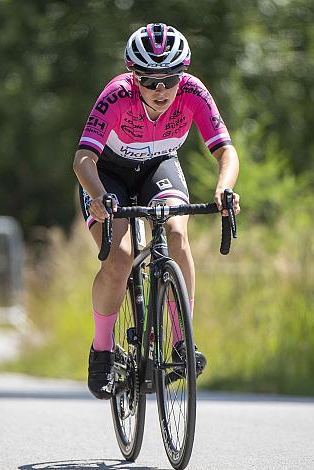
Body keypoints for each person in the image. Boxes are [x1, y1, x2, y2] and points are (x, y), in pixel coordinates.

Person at [73, 23, 240, 399]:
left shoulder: (194, 92)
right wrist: (98, 196)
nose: (161, 90)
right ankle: (101, 350)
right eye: (150, 81)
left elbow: (226, 151)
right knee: (121, 256)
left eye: (170, 79)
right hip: (108, 175)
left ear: (184, 74)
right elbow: (83, 158)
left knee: (177, 234)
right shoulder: (116, 96)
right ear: (135, 77)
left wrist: (223, 186)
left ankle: (182, 342)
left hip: (158, 168)